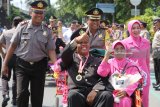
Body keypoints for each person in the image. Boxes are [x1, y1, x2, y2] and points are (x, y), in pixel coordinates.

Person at [1, 1, 57, 107]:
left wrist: (56, 66)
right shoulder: (22, 27)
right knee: (21, 95)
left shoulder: (47, 30)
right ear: (30, 12)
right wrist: (5, 64)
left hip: (39, 66)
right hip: (22, 66)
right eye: (36, 12)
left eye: (41, 13)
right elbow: (12, 46)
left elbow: (51, 50)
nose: (39, 15)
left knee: (37, 98)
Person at [53, 28, 114, 107]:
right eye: (80, 42)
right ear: (76, 45)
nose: (84, 44)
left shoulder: (97, 59)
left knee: (107, 95)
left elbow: (104, 77)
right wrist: (75, 41)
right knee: (73, 95)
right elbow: (64, 54)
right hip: (77, 91)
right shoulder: (70, 58)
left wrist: (96, 90)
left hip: (94, 90)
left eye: (86, 42)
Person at [97, 40, 143, 107]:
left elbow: (136, 81)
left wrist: (126, 91)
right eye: (116, 49)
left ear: (125, 50)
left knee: (125, 101)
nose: (119, 50)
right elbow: (101, 73)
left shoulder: (131, 64)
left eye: (122, 48)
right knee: (108, 98)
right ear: (113, 51)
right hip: (111, 92)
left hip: (126, 94)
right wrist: (106, 55)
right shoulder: (109, 62)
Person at [122, 20, 150, 107]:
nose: (136, 30)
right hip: (131, 76)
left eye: (138, 28)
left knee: (143, 100)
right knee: (133, 100)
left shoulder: (146, 42)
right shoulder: (124, 43)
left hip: (144, 77)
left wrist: (147, 75)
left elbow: (147, 60)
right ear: (129, 29)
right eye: (133, 28)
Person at [0, 16, 23, 107]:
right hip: (19, 57)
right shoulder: (22, 32)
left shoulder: (6, 32)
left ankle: (5, 94)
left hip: (8, 57)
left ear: (13, 23)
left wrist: (3, 52)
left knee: (4, 76)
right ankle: (14, 100)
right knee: (16, 79)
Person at [152, 18, 160, 90]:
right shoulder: (157, 31)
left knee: (159, 68)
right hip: (155, 52)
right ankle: (157, 82)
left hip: (159, 52)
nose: (155, 24)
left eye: (156, 23)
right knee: (156, 69)